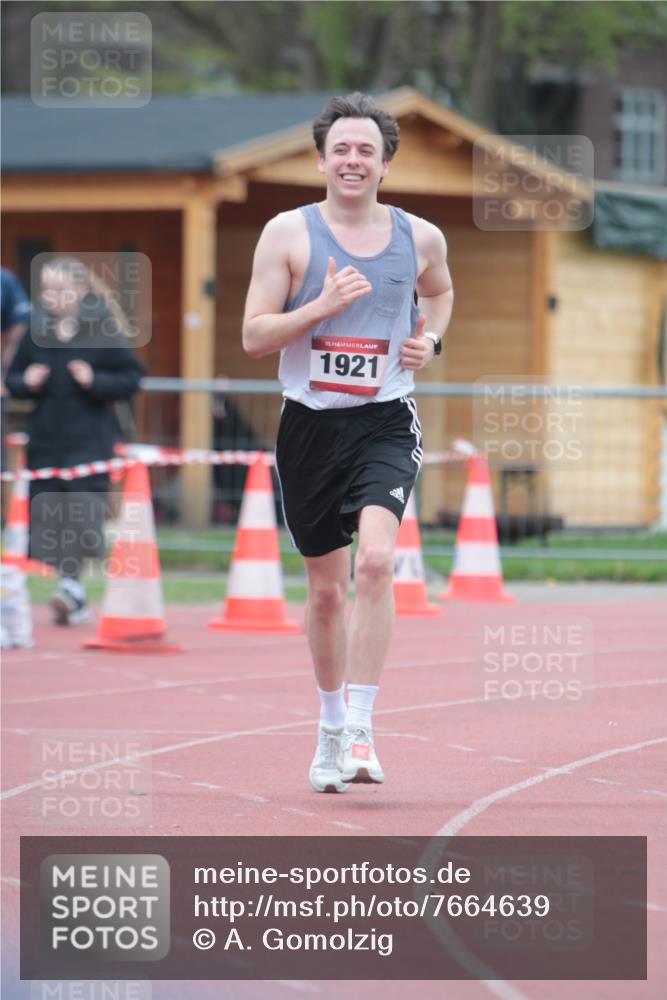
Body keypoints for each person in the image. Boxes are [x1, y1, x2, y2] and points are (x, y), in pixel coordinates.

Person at [242, 93, 454, 792]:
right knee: (327, 591)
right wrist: (321, 308)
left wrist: (429, 338)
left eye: (366, 150)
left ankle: (361, 725)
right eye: (341, 149)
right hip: (309, 424)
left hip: (385, 420)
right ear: (321, 160)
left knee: (376, 564)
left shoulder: (419, 236)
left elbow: (440, 291)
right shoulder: (287, 234)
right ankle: (330, 725)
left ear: (386, 163)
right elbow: (253, 336)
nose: (352, 160)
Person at [4, 256, 143, 625]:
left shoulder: (102, 328)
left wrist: (95, 380)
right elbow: (13, 378)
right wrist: (26, 380)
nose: (52, 297)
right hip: (46, 438)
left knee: (82, 514)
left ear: (81, 290)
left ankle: (71, 587)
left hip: (89, 441)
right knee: (49, 518)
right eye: (47, 289)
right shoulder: (36, 330)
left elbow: (131, 377)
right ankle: (69, 592)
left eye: (60, 289)